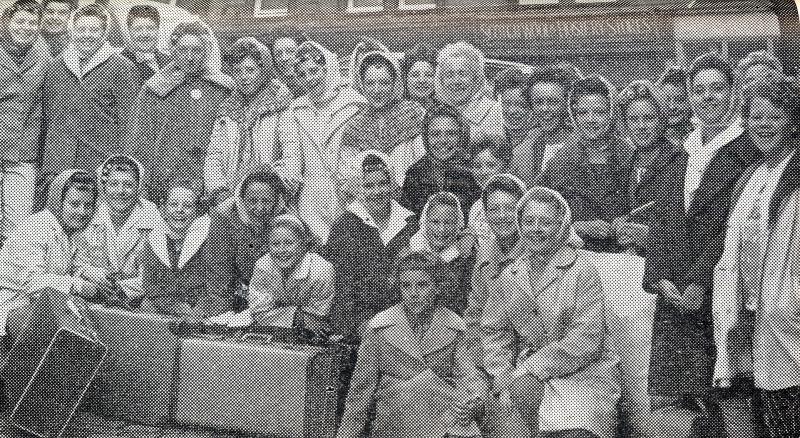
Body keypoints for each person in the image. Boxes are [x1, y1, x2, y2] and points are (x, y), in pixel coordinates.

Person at [643, 52, 761, 437]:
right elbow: (660, 222)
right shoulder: (678, 155)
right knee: (674, 406)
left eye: (717, 89)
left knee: (729, 398)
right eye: (699, 90)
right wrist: (661, 280)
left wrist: (697, 283)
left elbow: (725, 228)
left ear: (732, 95)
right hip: (673, 294)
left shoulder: (747, 152)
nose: (707, 98)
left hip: (717, 290)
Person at [482, 186, 621, 438]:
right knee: (510, 415)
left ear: (560, 226)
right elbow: (494, 331)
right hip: (531, 373)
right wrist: (501, 373)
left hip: (585, 372)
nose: (536, 229)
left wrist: (532, 367)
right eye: (529, 221)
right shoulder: (510, 275)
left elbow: (586, 340)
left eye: (545, 222)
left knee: (576, 427)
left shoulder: (582, 270)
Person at [712, 79, 800, 438]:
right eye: (755, 117)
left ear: (792, 121)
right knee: (767, 416)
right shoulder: (751, 176)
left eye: (773, 117)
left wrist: (791, 300)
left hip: (788, 316)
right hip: (753, 318)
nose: (763, 125)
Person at [336, 250, 486, 438]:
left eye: (422, 285)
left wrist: (474, 401)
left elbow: (469, 376)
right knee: (420, 387)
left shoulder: (452, 326)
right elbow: (360, 393)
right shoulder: (380, 327)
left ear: (438, 287)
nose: (413, 293)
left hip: (441, 411)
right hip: (396, 419)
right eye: (406, 286)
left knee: (457, 409)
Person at [39, 3, 139, 206]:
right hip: (57, 165)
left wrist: (117, 167)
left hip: (97, 164)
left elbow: (131, 124)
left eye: (94, 30)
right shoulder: (56, 66)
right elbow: (48, 117)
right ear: (72, 31)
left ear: (104, 33)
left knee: (93, 227)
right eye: (81, 30)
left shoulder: (122, 67)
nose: (87, 35)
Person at [127, 20, 233, 201]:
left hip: (211, 186)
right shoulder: (155, 88)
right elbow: (139, 143)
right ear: (174, 51)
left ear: (206, 52)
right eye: (184, 50)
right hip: (165, 186)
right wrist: (142, 187)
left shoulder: (223, 88)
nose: (190, 57)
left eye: (197, 50)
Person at [277, 40, 366, 244]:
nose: (309, 79)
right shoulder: (294, 110)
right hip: (311, 202)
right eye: (301, 74)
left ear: (326, 68)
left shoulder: (354, 104)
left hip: (348, 197)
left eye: (314, 71)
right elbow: (292, 158)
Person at [326, 150, 417, 341]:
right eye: (368, 186)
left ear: (391, 184)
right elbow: (342, 290)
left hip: (405, 316)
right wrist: (360, 326)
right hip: (360, 320)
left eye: (383, 183)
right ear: (359, 188)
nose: (377, 192)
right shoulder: (345, 226)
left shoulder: (409, 222)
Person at [537, 74, 633, 253]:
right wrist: (579, 227)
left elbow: (650, 209)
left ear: (611, 113)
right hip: (574, 258)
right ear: (573, 115)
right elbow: (538, 214)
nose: (591, 119)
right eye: (583, 112)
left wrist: (628, 221)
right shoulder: (561, 160)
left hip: (623, 259)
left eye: (599, 112)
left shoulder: (628, 155)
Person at [0, 170, 97, 337]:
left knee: (89, 330)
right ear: (58, 202)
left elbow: (72, 267)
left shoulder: (70, 232)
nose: (82, 212)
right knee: (67, 337)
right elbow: (33, 283)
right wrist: (78, 285)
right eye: (74, 204)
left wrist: (95, 277)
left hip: (38, 306)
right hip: (12, 306)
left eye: (88, 206)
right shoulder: (38, 226)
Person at [204, 37, 292, 203]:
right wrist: (219, 192)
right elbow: (214, 156)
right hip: (231, 199)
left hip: (269, 199)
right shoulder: (227, 109)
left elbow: (291, 155)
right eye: (238, 71)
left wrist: (271, 192)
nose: (244, 77)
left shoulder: (280, 103)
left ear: (262, 70)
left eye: (250, 70)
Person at [73, 155, 161, 304]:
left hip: (135, 302)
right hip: (92, 297)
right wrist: (94, 275)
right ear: (104, 187)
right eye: (113, 184)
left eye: (128, 184)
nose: (120, 191)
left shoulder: (151, 215)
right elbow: (75, 264)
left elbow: (156, 273)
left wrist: (125, 289)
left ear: (138, 188)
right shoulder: (89, 213)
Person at [141, 179, 229, 318]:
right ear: (163, 208)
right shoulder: (154, 238)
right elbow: (150, 286)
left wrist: (199, 311)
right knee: (146, 307)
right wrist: (175, 306)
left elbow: (219, 284)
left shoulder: (209, 237)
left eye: (187, 206)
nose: (179, 210)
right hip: (167, 305)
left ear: (196, 210)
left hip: (203, 306)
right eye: (173, 204)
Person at [0, 0, 51, 240]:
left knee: (17, 225)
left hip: (23, 153)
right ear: (7, 22)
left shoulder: (43, 55)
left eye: (32, 23)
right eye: (20, 21)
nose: (26, 27)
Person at [204, 168, 288, 312]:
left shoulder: (286, 221)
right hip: (236, 294)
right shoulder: (224, 219)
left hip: (275, 299)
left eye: (266, 201)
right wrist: (223, 318)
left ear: (275, 201)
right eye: (252, 201)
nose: (259, 208)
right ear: (242, 199)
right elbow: (219, 275)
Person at [341, 50, 426, 187]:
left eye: (384, 82)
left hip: (411, 195)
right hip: (371, 199)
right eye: (370, 83)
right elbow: (349, 176)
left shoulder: (413, 113)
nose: (377, 90)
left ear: (394, 83)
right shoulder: (354, 124)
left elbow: (425, 163)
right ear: (362, 85)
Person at [614, 80, 681, 256]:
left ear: (662, 119)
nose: (641, 126)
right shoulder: (628, 162)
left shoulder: (679, 161)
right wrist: (619, 223)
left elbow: (687, 232)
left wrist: (648, 236)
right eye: (633, 119)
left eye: (649, 118)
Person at [247, 214, 334, 333]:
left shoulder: (321, 270)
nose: (282, 250)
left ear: (302, 244)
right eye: (275, 244)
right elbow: (259, 312)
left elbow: (318, 319)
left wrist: (278, 312)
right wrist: (297, 315)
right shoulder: (263, 266)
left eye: (288, 243)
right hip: (270, 332)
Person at [399, 104, 481, 218]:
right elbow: (407, 219)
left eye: (451, 133)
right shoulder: (415, 173)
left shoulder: (474, 171)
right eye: (435, 134)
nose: (443, 140)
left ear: (461, 135)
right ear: (426, 137)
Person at [409, 192, 475, 316]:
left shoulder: (467, 259)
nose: (441, 229)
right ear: (425, 222)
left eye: (448, 223)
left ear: (457, 225)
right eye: (435, 222)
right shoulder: (409, 254)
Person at [509, 65, 575, 188]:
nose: (545, 109)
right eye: (539, 102)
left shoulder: (580, 146)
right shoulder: (523, 151)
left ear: (566, 105)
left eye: (553, 102)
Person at [435, 41, 504, 153]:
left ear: (476, 78)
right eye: (449, 75)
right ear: (441, 81)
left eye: (463, 74)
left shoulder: (495, 112)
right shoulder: (436, 113)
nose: (456, 81)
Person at [468, 140, 512, 245]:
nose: (483, 172)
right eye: (477, 166)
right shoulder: (476, 207)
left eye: (491, 165)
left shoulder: (515, 202)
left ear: (505, 167)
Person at [120, 5, 169, 86]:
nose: (145, 34)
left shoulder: (168, 61)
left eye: (150, 28)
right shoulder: (118, 64)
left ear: (158, 29)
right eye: (138, 29)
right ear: (129, 31)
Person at [657, 66, 692, 148]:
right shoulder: (651, 139)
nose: (672, 107)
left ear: (690, 103)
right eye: (666, 100)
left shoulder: (698, 137)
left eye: (680, 100)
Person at [401, 44, 437, 110]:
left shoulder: (445, 111)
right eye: (415, 75)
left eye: (428, 75)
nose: (422, 80)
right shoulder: (395, 111)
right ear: (405, 78)